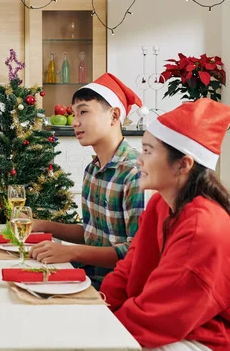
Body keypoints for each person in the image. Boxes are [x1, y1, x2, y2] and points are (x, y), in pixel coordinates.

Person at [101, 99, 230, 351]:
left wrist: (101, 330)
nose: (139, 160)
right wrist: (100, 305)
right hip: (162, 325)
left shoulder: (202, 227)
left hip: (203, 340)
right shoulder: (160, 204)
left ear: (183, 164)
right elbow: (128, 268)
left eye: (148, 151)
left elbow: (159, 317)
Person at [31, 73, 145, 289]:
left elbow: (135, 253)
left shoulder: (135, 173)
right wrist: (42, 225)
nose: (74, 122)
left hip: (115, 290)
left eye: (83, 112)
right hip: (85, 279)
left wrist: (70, 251)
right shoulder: (92, 170)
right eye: (74, 114)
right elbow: (92, 233)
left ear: (113, 116)